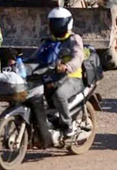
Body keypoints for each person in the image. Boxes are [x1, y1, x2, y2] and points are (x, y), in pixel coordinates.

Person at [28, 8, 86, 138]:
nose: (57, 26)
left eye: (59, 23)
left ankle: (68, 125)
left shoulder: (74, 39)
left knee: (60, 95)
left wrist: (67, 66)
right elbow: (37, 56)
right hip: (53, 77)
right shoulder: (49, 40)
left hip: (72, 77)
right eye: (54, 23)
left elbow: (78, 57)